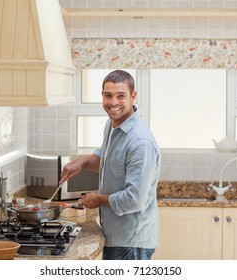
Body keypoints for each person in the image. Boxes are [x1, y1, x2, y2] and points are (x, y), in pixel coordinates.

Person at [60, 70, 161, 260]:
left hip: (131, 241)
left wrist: (98, 199)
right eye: (108, 95)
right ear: (102, 96)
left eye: (120, 96)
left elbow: (134, 200)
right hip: (116, 235)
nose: (113, 103)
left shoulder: (140, 142)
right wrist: (82, 162)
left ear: (133, 96)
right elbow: (107, 159)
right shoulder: (112, 124)